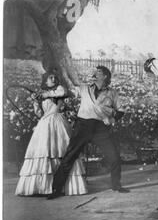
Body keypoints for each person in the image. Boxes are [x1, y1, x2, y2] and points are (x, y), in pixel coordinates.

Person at [47, 66, 129, 200]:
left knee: (114, 156)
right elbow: (65, 93)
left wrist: (113, 118)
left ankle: (116, 185)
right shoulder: (84, 88)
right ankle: (56, 189)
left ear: (105, 77)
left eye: (99, 72)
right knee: (69, 156)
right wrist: (49, 93)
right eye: (95, 72)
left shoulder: (113, 93)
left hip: (101, 128)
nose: (95, 74)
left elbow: (121, 110)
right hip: (83, 126)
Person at [15, 72, 87, 196]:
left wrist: (44, 95)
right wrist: (36, 101)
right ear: (45, 81)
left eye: (55, 77)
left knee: (62, 151)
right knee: (44, 152)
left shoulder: (59, 89)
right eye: (50, 77)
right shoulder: (42, 94)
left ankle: (62, 186)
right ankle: (44, 187)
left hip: (58, 122)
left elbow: (62, 93)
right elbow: (39, 114)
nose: (54, 79)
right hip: (45, 124)